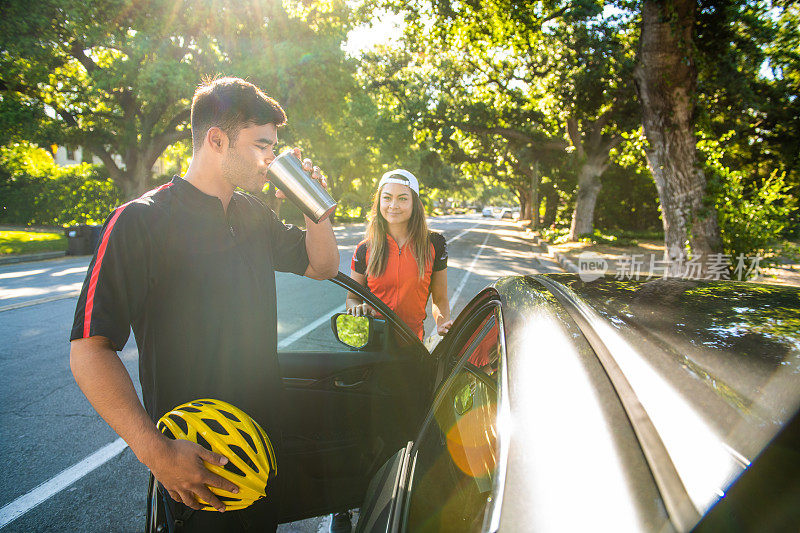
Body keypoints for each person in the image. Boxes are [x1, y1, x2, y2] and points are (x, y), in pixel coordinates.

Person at [69, 77, 339, 532]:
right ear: (217, 140)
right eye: (261, 145)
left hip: (260, 454)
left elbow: (323, 265)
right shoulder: (141, 221)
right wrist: (157, 454)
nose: (271, 158)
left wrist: (316, 209)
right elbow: (89, 351)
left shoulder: (254, 214)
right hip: (196, 464)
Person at [345, 169, 453, 339]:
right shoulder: (364, 249)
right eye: (387, 198)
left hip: (412, 344)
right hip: (372, 343)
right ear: (379, 202)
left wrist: (442, 323)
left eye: (402, 198)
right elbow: (352, 298)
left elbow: (440, 299)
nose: (393, 205)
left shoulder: (435, 244)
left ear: (414, 203)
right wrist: (358, 308)